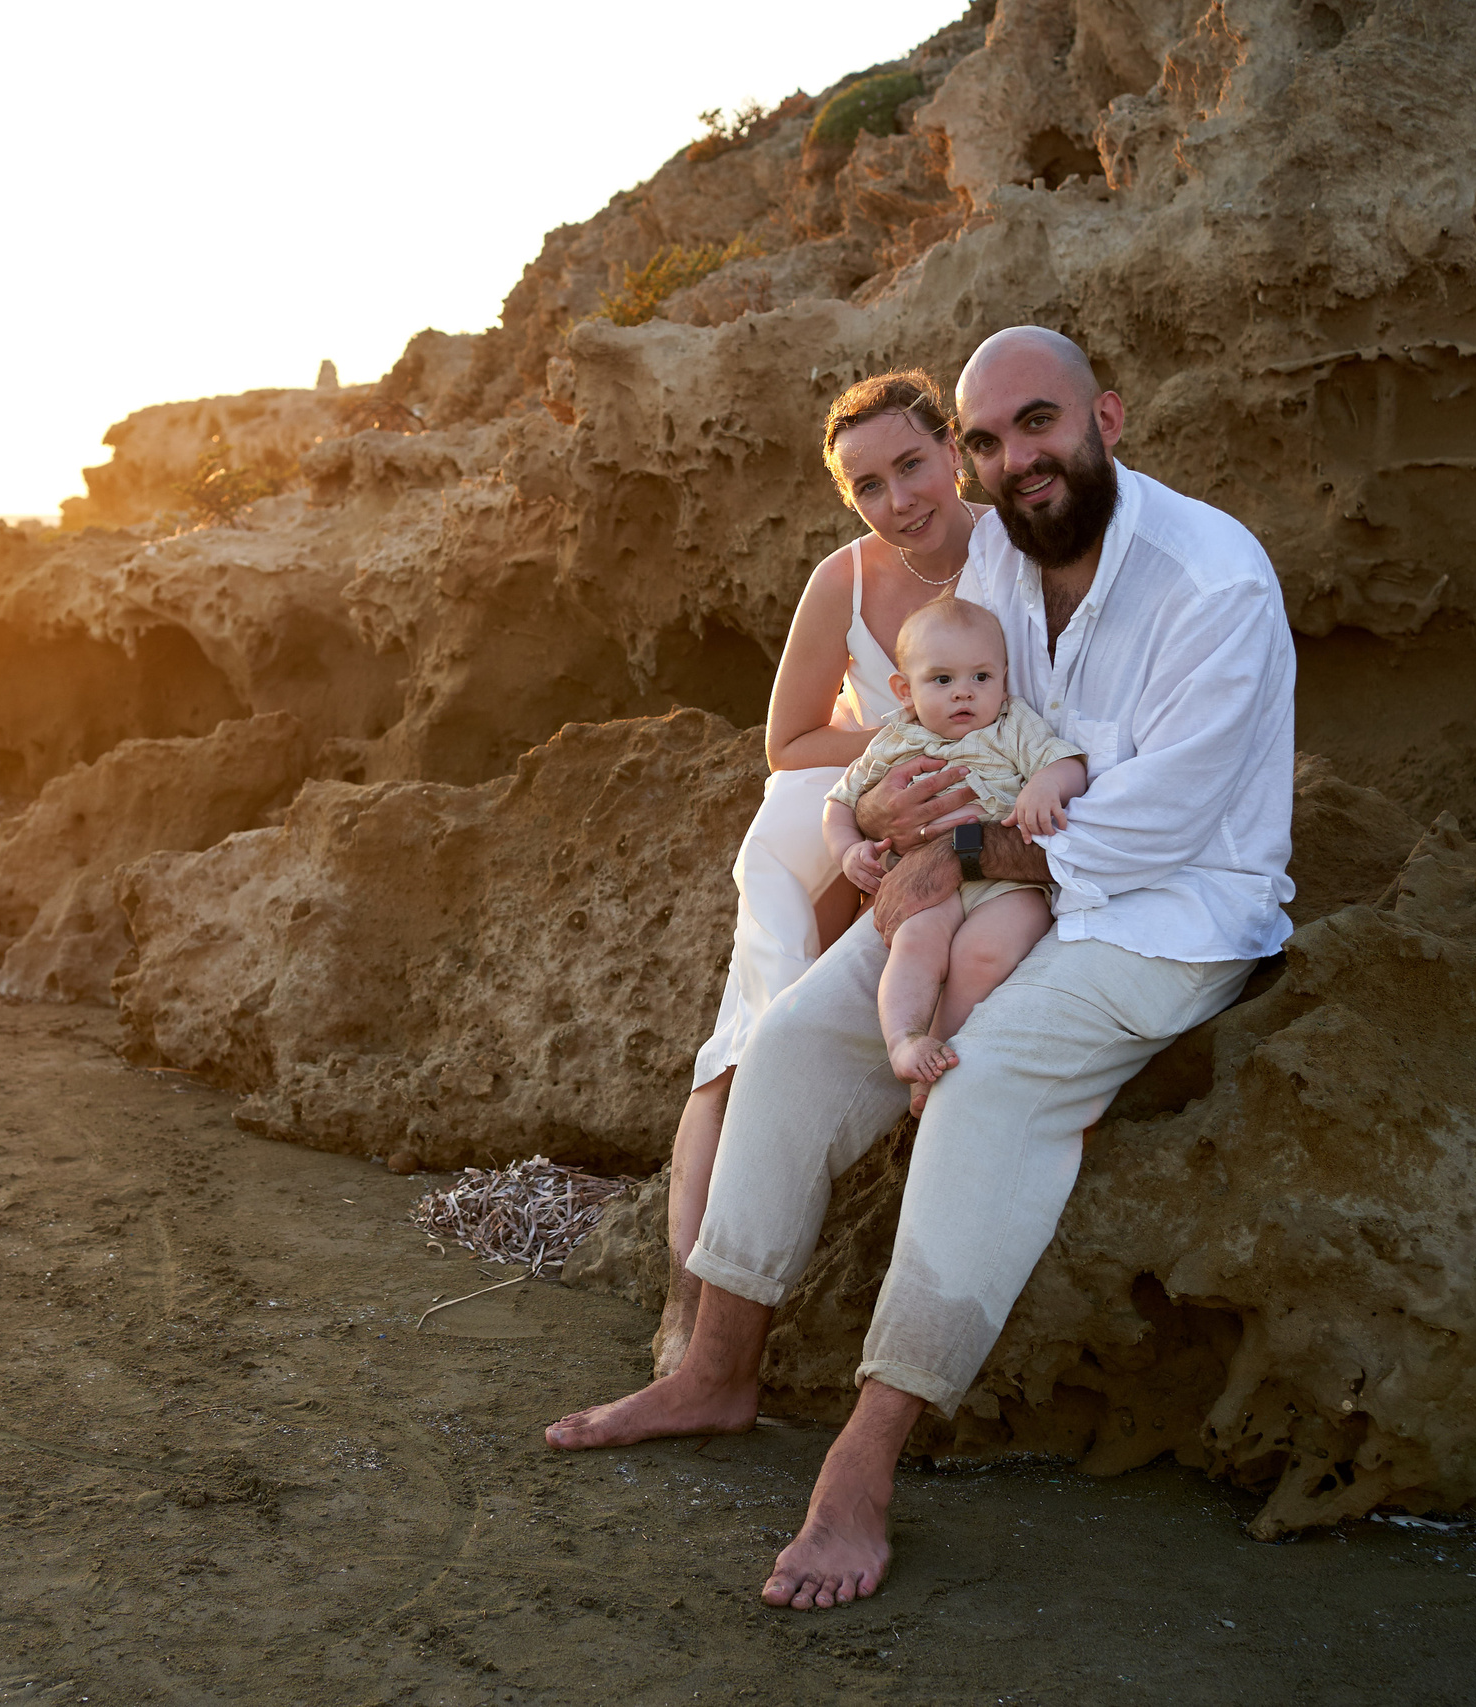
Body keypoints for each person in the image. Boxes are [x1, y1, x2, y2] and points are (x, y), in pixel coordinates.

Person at [545, 326, 1297, 1615]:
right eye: (991, 441)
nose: (1018, 461)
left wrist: (945, 843)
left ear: (1106, 417)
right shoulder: (997, 558)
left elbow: (1149, 830)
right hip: (998, 879)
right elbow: (940, 737)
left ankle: (861, 1465)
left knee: (988, 1083)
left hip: (1168, 914)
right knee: (788, 1041)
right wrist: (888, 830)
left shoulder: (1211, 584)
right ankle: (716, 1368)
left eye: (1041, 425)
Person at [653, 371, 991, 1376]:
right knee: (753, 1005)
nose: (898, 503)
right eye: (869, 486)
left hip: (986, 801)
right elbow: (788, 739)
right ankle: (687, 1297)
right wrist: (884, 766)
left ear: (954, 453)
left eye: (912, 467)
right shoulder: (842, 579)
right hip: (839, 793)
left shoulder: (1018, 557)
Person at [821, 596, 1086, 1110]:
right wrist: (848, 850)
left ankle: (940, 1052)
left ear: (1004, 680)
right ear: (905, 690)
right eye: (941, 680)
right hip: (924, 883)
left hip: (1009, 881)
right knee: (916, 943)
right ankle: (904, 1039)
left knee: (983, 955)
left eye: (981, 677)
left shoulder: (1012, 725)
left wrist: (1045, 787)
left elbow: (1068, 763)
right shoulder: (894, 741)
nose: (964, 692)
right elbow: (839, 804)